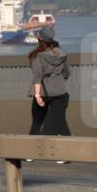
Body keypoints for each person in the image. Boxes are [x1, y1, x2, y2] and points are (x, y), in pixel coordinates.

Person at [27, 26, 71, 163]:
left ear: (39, 38)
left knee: (36, 122)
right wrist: (57, 81)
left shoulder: (37, 56)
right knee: (61, 122)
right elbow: (66, 73)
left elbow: (37, 76)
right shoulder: (61, 54)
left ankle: (30, 153)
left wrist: (38, 95)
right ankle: (66, 155)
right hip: (60, 91)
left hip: (44, 91)